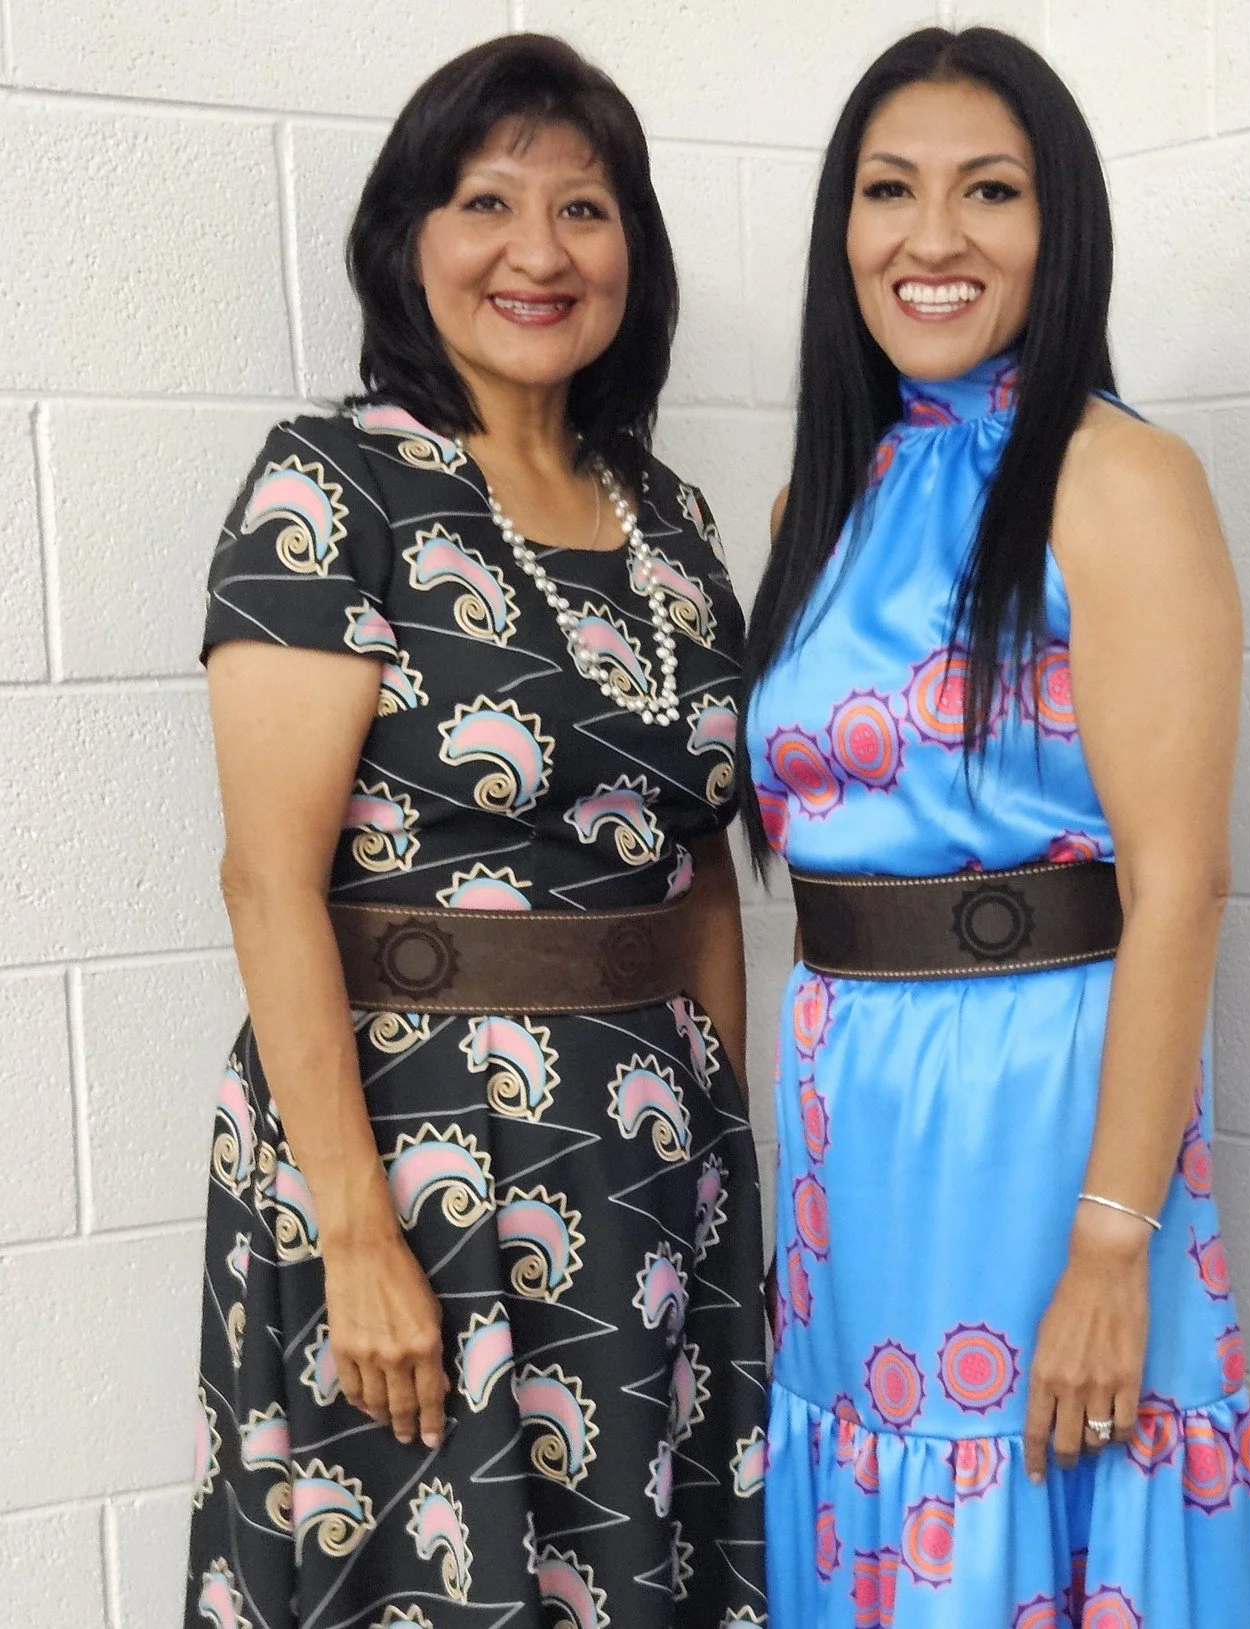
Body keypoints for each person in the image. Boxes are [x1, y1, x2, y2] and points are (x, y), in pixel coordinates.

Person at [187, 33, 766, 1629]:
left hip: (653, 1160)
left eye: (583, 209)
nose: (538, 252)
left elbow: (699, 872)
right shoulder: (332, 488)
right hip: (413, 1145)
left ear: (633, 251)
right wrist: (354, 1228)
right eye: (487, 202)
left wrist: (734, 1152)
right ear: (408, 239)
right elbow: (268, 880)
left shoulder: (671, 518)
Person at [741, 24, 1250, 1628]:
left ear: (1061, 225)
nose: (933, 236)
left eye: (989, 190)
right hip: (853, 1112)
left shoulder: (1118, 477)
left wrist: (1113, 1243)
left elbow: (1181, 881)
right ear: (841, 227)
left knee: (1050, 1472)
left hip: (1045, 1104)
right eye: (889, 190)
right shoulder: (817, 501)